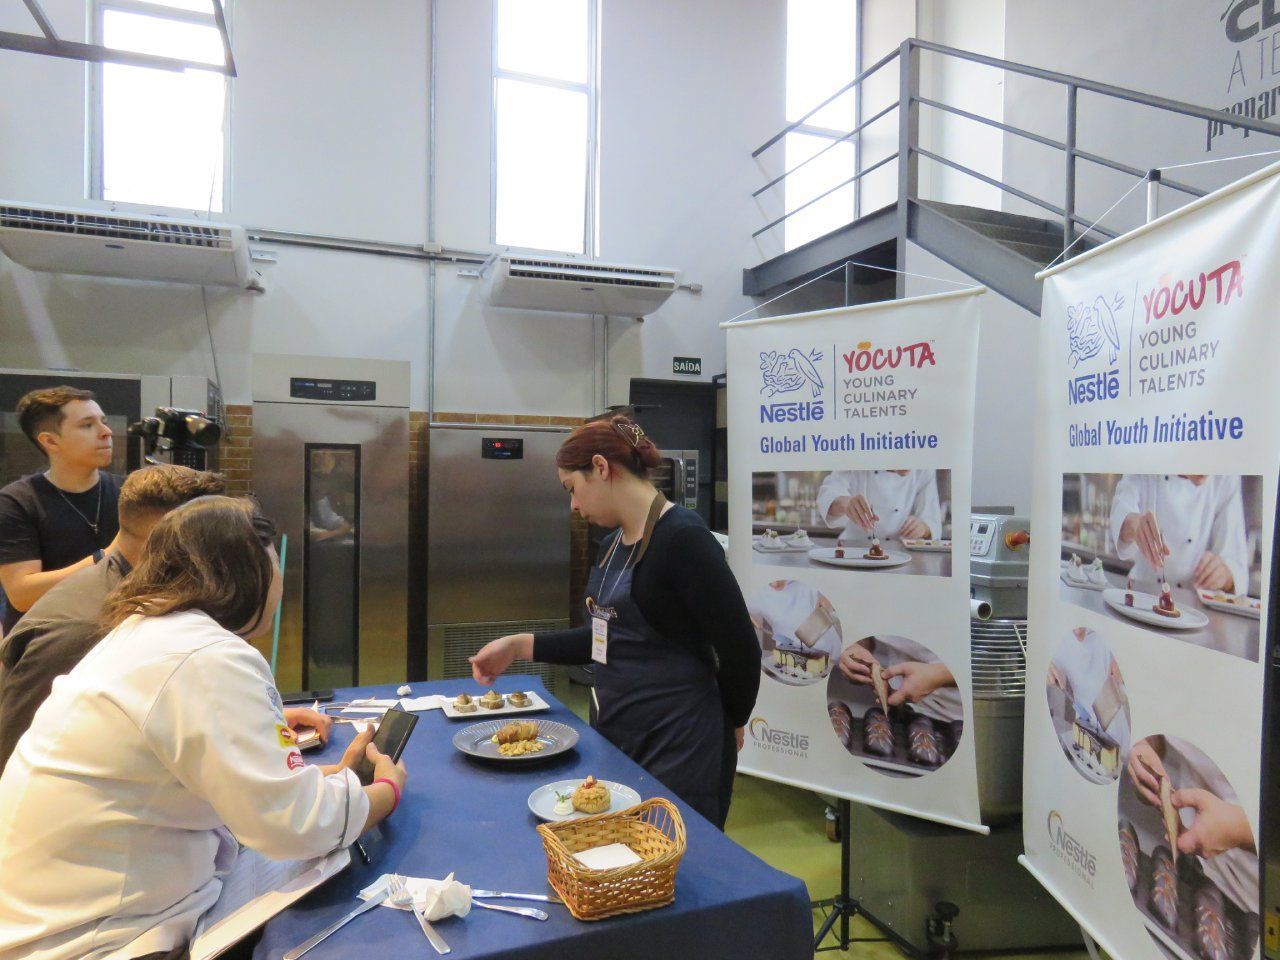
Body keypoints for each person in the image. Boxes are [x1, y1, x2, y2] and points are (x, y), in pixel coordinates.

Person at [0, 496, 408, 960]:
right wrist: (387, 792)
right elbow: (297, 826)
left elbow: (201, 776)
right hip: (103, 941)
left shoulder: (146, 630)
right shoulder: (205, 655)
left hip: (50, 915)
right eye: (275, 567)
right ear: (247, 570)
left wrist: (319, 780)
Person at [469, 416, 759, 828]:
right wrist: (519, 646)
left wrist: (731, 721)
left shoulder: (683, 539)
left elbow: (740, 646)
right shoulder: (611, 547)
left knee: (674, 869)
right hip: (622, 738)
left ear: (601, 468)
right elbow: (606, 640)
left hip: (682, 747)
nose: (572, 505)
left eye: (572, 488)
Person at [0, 465, 330, 773]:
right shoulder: (83, 629)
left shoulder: (138, 594)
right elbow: (18, 759)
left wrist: (244, 722)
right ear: (171, 538)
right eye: (215, 540)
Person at [0, 386, 123, 633]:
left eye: (104, 422)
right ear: (50, 440)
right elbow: (22, 595)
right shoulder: (16, 502)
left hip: (113, 637)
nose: (106, 432)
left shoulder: (129, 492)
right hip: (45, 642)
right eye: (87, 425)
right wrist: (109, 555)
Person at [1126, 735, 1257, 914]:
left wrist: (1242, 830)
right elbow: (1161, 735)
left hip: (1257, 896)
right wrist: (1145, 749)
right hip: (1195, 868)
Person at [1109, 474, 1249, 593]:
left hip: (1195, 609)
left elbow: (1237, 565)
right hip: (1141, 592)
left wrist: (1225, 574)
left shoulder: (1226, 477)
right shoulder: (1148, 455)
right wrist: (1134, 525)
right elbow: (1121, 509)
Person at [816, 469, 942, 543]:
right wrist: (846, 504)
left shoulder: (925, 469)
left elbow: (932, 519)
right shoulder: (858, 455)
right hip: (853, 547)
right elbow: (828, 494)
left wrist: (924, 528)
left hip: (900, 553)